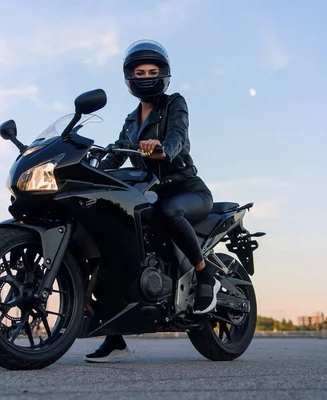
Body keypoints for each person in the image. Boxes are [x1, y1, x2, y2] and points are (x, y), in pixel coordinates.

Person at [85, 40, 220, 363]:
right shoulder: (132, 120)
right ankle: (115, 339)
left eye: (152, 71)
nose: (146, 76)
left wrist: (161, 147)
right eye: (139, 72)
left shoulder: (174, 103)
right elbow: (117, 152)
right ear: (130, 77)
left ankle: (205, 277)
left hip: (185, 190)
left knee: (168, 211)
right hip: (151, 191)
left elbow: (178, 136)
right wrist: (91, 168)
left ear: (163, 75)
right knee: (114, 241)